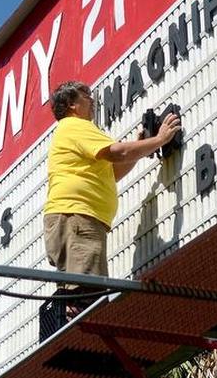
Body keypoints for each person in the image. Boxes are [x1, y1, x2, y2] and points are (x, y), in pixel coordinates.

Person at [43, 80, 181, 305]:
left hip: (71, 218)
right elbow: (118, 152)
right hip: (78, 216)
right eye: (85, 96)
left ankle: (74, 317)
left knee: (78, 289)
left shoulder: (67, 132)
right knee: (87, 294)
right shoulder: (75, 125)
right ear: (71, 104)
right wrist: (159, 140)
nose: (92, 100)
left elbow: (113, 173)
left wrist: (141, 147)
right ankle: (82, 323)